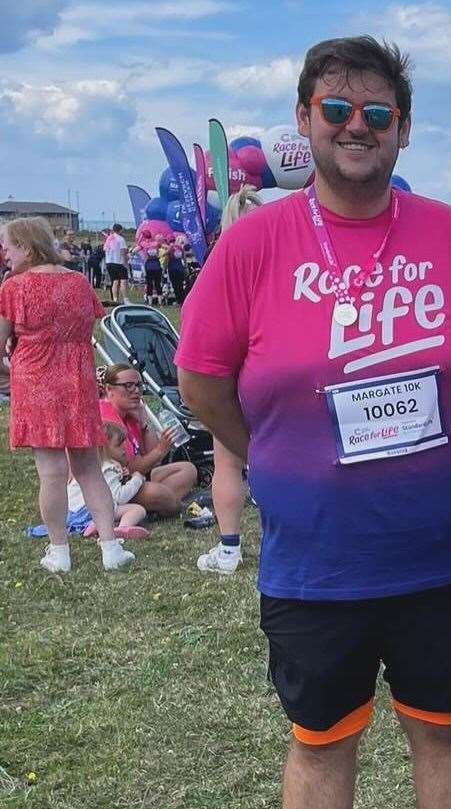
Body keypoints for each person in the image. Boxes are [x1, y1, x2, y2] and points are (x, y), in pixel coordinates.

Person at [176, 36, 451, 809]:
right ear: (305, 119)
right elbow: (200, 380)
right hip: (318, 560)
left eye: (376, 113)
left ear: (404, 128)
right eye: (336, 109)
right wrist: (266, 454)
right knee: (321, 744)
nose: (355, 126)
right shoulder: (254, 243)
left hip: (444, 555)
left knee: (443, 731)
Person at [0, 217, 135, 573]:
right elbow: (86, 329)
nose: (5, 253)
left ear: (26, 248)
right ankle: (110, 546)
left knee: (52, 473)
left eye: (8, 246)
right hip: (77, 380)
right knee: (89, 467)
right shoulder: (78, 282)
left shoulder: (14, 288)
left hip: (35, 383)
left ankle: (59, 551)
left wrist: (12, 369)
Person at [196, 186, 264, 574]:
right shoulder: (283, 255)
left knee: (228, 463)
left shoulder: (220, 260)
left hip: (233, 377)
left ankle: (229, 547)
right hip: (276, 375)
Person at [98, 363, 198, 519]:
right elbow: (131, 467)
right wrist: (160, 450)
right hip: (111, 487)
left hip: (131, 480)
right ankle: (160, 504)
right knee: (161, 494)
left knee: (188, 470)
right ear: (109, 389)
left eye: (139, 385)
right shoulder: (109, 422)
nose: (136, 391)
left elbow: (151, 462)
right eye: (128, 386)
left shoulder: (129, 413)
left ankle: (151, 506)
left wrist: (145, 423)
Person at [68, 422, 150, 540]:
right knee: (137, 509)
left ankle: (95, 525)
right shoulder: (109, 468)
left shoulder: (88, 467)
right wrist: (137, 479)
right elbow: (119, 497)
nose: (124, 448)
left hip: (71, 513)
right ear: (104, 448)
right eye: (119, 445)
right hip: (89, 510)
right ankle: (122, 528)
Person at [103, 224, 128, 304]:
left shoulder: (109, 239)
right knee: (123, 281)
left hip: (109, 262)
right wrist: (125, 263)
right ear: (120, 230)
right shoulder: (121, 239)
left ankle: (115, 299)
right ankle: (125, 299)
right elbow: (123, 252)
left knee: (115, 281)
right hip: (119, 262)